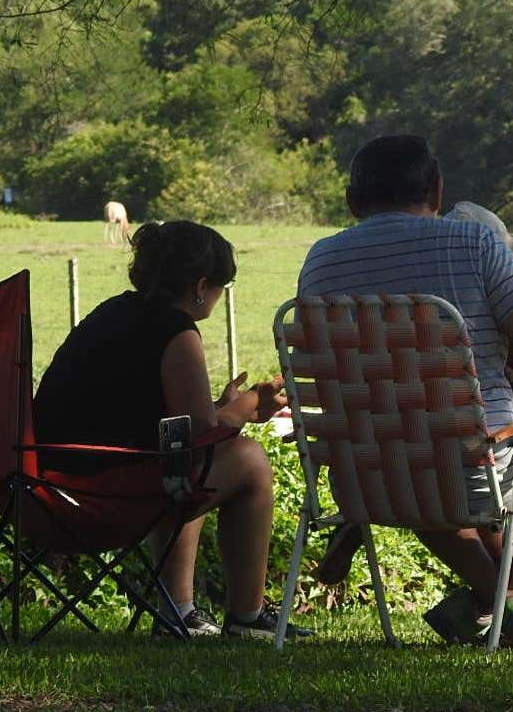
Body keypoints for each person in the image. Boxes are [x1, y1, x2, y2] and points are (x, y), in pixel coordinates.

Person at [297, 136, 513, 648]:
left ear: (351, 201)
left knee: (415, 460)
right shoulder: (472, 244)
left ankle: (493, 599)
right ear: (436, 190)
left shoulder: (320, 261)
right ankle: (497, 597)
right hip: (477, 472)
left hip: (364, 475)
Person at [32, 219, 311, 641]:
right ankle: (247, 616)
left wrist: (220, 410)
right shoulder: (175, 331)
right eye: (222, 286)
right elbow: (199, 438)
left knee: (181, 455)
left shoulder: (112, 312)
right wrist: (251, 404)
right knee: (246, 460)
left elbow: (151, 418)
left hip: (41, 487)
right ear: (201, 286)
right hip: (102, 498)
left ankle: (179, 613)